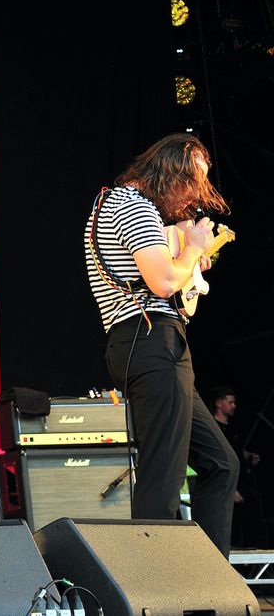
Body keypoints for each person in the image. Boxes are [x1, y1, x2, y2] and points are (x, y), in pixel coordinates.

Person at [84, 133, 237, 556]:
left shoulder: (111, 204)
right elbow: (164, 281)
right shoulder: (134, 206)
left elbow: (165, 283)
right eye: (192, 182)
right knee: (162, 478)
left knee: (222, 464)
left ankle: (207, 577)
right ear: (172, 172)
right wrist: (191, 248)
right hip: (151, 342)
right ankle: (156, 587)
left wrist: (188, 260)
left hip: (142, 342)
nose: (192, 195)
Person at [211, 386, 267, 548]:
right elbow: (218, 460)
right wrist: (231, 488)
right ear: (219, 404)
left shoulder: (233, 429)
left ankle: (259, 567)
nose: (234, 405)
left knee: (256, 528)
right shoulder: (214, 429)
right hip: (229, 489)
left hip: (245, 486)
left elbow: (235, 452)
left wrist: (248, 456)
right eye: (230, 402)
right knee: (235, 533)